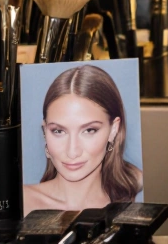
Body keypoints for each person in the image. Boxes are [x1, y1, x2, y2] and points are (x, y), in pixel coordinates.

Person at [23, 65, 143, 214]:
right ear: (45, 132)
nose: (72, 152)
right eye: (58, 131)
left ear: (113, 129)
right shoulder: (22, 202)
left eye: (89, 130)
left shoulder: (133, 194)